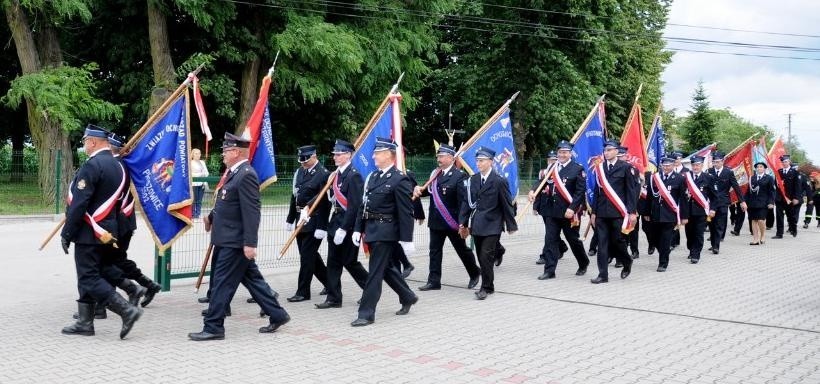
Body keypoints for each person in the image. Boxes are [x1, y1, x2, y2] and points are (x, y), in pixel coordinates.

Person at [189, 133, 290, 341]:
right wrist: (211, 217)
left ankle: (214, 326)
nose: (223, 155)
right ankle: (278, 314)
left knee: (221, 283)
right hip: (227, 239)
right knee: (253, 281)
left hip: (234, 242)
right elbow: (229, 204)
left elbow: (252, 212)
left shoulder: (246, 175)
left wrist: (250, 243)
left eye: (226, 151)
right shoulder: (234, 173)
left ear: (236, 152)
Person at [60, 125, 143, 339]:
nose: (84, 144)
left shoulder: (93, 165)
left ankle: (126, 310)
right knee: (95, 272)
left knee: (88, 277)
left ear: (94, 142)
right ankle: (85, 322)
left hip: (90, 232)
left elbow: (80, 203)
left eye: (85, 140)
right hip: (107, 230)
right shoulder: (117, 165)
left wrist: (67, 233)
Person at [350, 137, 419, 326]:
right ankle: (408, 296)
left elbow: (405, 212)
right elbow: (363, 205)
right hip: (371, 230)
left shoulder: (400, 179)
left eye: (377, 153)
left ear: (389, 155)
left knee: (374, 273)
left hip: (386, 232)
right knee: (386, 268)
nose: (373, 156)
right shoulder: (373, 177)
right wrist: (358, 228)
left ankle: (366, 313)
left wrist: (407, 239)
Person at [412, 144, 480, 291]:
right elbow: (427, 191)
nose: (439, 159)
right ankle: (434, 281)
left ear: (450, 158)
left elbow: (463, 202)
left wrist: (464, 223)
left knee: (462, 250)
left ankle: (475, 273)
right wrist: (417, 188)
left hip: (453, 222)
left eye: (442, 156)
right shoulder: (435, 174)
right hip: (436, 221)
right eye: (438, 156)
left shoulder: (459, 176)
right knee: (434, 251)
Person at [459, 146, 518, 299]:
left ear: (491, 162)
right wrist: (462, 223)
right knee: (480, 255)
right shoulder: (473, 180)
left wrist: (511, 224)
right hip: (477, 224)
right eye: (477, 161)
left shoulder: (499, 181)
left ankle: (485, 288)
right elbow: (467, 202)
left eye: (482, 161)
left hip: (493, 224)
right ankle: (489, 285)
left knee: (485, 256)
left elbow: (506, 203)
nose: (478, 164)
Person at [316, 139, 369, 309]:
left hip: (348, 226)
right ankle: (334, 298)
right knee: (333, 262)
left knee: (350, 262)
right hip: (335, 223)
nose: (335, 157)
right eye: (334, 154)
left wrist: (344, 228)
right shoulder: (336, 175)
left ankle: (370, 289)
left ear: (348, 155)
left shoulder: (354, 175)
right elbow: (329, 198)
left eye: (338, 154)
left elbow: (354, 206)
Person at [528, 140, 589, 280]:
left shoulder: (577, 169)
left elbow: (580, 192)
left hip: (568, 213)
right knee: (550, 240)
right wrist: (532, 191)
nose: (562, 155)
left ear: (570, 154)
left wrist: (573, 209)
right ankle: (549, 270)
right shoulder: (552, 168)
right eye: (560, 152)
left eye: (565, 152)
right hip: (551, 211)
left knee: (573, 240)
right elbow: (541, 182)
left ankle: (583, 262)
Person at [285, 145, 330, 302]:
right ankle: (331, 284)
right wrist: (290, 219)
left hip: (314, 220)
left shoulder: (324, 174)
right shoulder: (300, 172)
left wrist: (322, 226)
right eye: (301, 160)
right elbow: (295, 196)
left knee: (306, 257)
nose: (302, 163)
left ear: (314, 156)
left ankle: (303, 292)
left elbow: (325, 201)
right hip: (300, 219)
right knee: (310, 256)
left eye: (305, 160)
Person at [589, 140, 636, 284]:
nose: (606, 152)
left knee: (618, 241)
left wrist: (632, 212)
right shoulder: (599, 168)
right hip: (602, 213)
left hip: (618, 213)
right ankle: (603, 275)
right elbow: (597, 191)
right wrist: (594, 212)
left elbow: (631, 191)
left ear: (616, 151)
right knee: (602, 244)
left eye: (609, 150)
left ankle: (627, 261)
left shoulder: (626, 167)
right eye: (605, 150)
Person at [644, 157, 689, 272]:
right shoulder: (654, 178)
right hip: (655, 214)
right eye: (664, 165)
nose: (666, 167)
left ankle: (663, 263)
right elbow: (649, 196)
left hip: (670, 215)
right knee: (653, 238)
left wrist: (684, 216)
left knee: (665, 239)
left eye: (668, 165)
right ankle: (664, 251)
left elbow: (683, 199)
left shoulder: (679, 178)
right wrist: (647, 212)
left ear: (673, 165)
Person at [706, 152, 746, 254]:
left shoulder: (728, 172)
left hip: (723, 202)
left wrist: (742, 201)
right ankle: (713, 243)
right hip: (711, 203)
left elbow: (736, 187)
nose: (716, 164)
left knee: (720, 224)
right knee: (711, 224)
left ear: (722, 161)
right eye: (714, 162)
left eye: (718, 162)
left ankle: (716, 246)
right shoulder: (709, 172)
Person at [534, 150, 569, 264]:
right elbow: (539, 189)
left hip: (558, 207)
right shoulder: (543, 173)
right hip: (545, 205)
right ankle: (562, 246)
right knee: (551, 232)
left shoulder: (561, 172)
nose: (552, 162)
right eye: (550, 160)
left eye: (554, 160)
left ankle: (545, 255)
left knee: (551, 233)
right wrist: (535, 206)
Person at [682, 156, 716, 264]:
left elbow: (714, 196)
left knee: (699, 233)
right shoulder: (685, 177)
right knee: (689, 233)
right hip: (688, 211)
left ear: (702, 166)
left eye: (698, 165)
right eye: (694, 165)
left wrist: (713, 209)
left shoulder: (708, 178)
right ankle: (691, 249)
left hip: (701, 211)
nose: (695, 167)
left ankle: (696, 254)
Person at [745, 161, 776, 245]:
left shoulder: (769, 178)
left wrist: (771, 202)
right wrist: (744, 202)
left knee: (761, 220)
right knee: (753, 220)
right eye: (757, 167)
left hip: (763, 203)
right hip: (752, 203)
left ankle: (762, 235)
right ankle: (755, 238)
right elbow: (748, 191)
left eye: (761, 167)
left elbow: (772, 192)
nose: (759, 168)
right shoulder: (752, 178)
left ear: (765, 169)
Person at [772, 155, 801, 238]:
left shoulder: (795, 172)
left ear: (789, 162)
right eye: (783, 162)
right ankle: (779, 234)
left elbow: (797, 187)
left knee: (790, 216)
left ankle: (793, 229)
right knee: (779, 216)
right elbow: (775, 185)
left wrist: (796, 198)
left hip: (790, 199)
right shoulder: (779, 172)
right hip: (779, 198)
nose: (784, 163)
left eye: (786, 162)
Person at [670, 151, 689, 249]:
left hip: (682, 199)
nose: (676, 161)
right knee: (673, 220)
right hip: (671, 200)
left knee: (679, 219)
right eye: (674, 159)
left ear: (681, 159)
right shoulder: (670, 170)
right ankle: (673, 241)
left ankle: (676, 240)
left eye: (678, 159)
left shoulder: (687, 171)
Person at [190, 148, 209, 219]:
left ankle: (197, 214)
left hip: (202, 184)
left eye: (199, 153)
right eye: (196, 153)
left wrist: (202, 174)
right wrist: (200, 174)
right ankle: (192, 213)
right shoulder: (190, 162)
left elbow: (206, 173)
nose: (198, 155)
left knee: (199, 200)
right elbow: (191, 174)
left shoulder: (202, 162)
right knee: (194, 199)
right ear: (193, 154)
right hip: (194, 184)